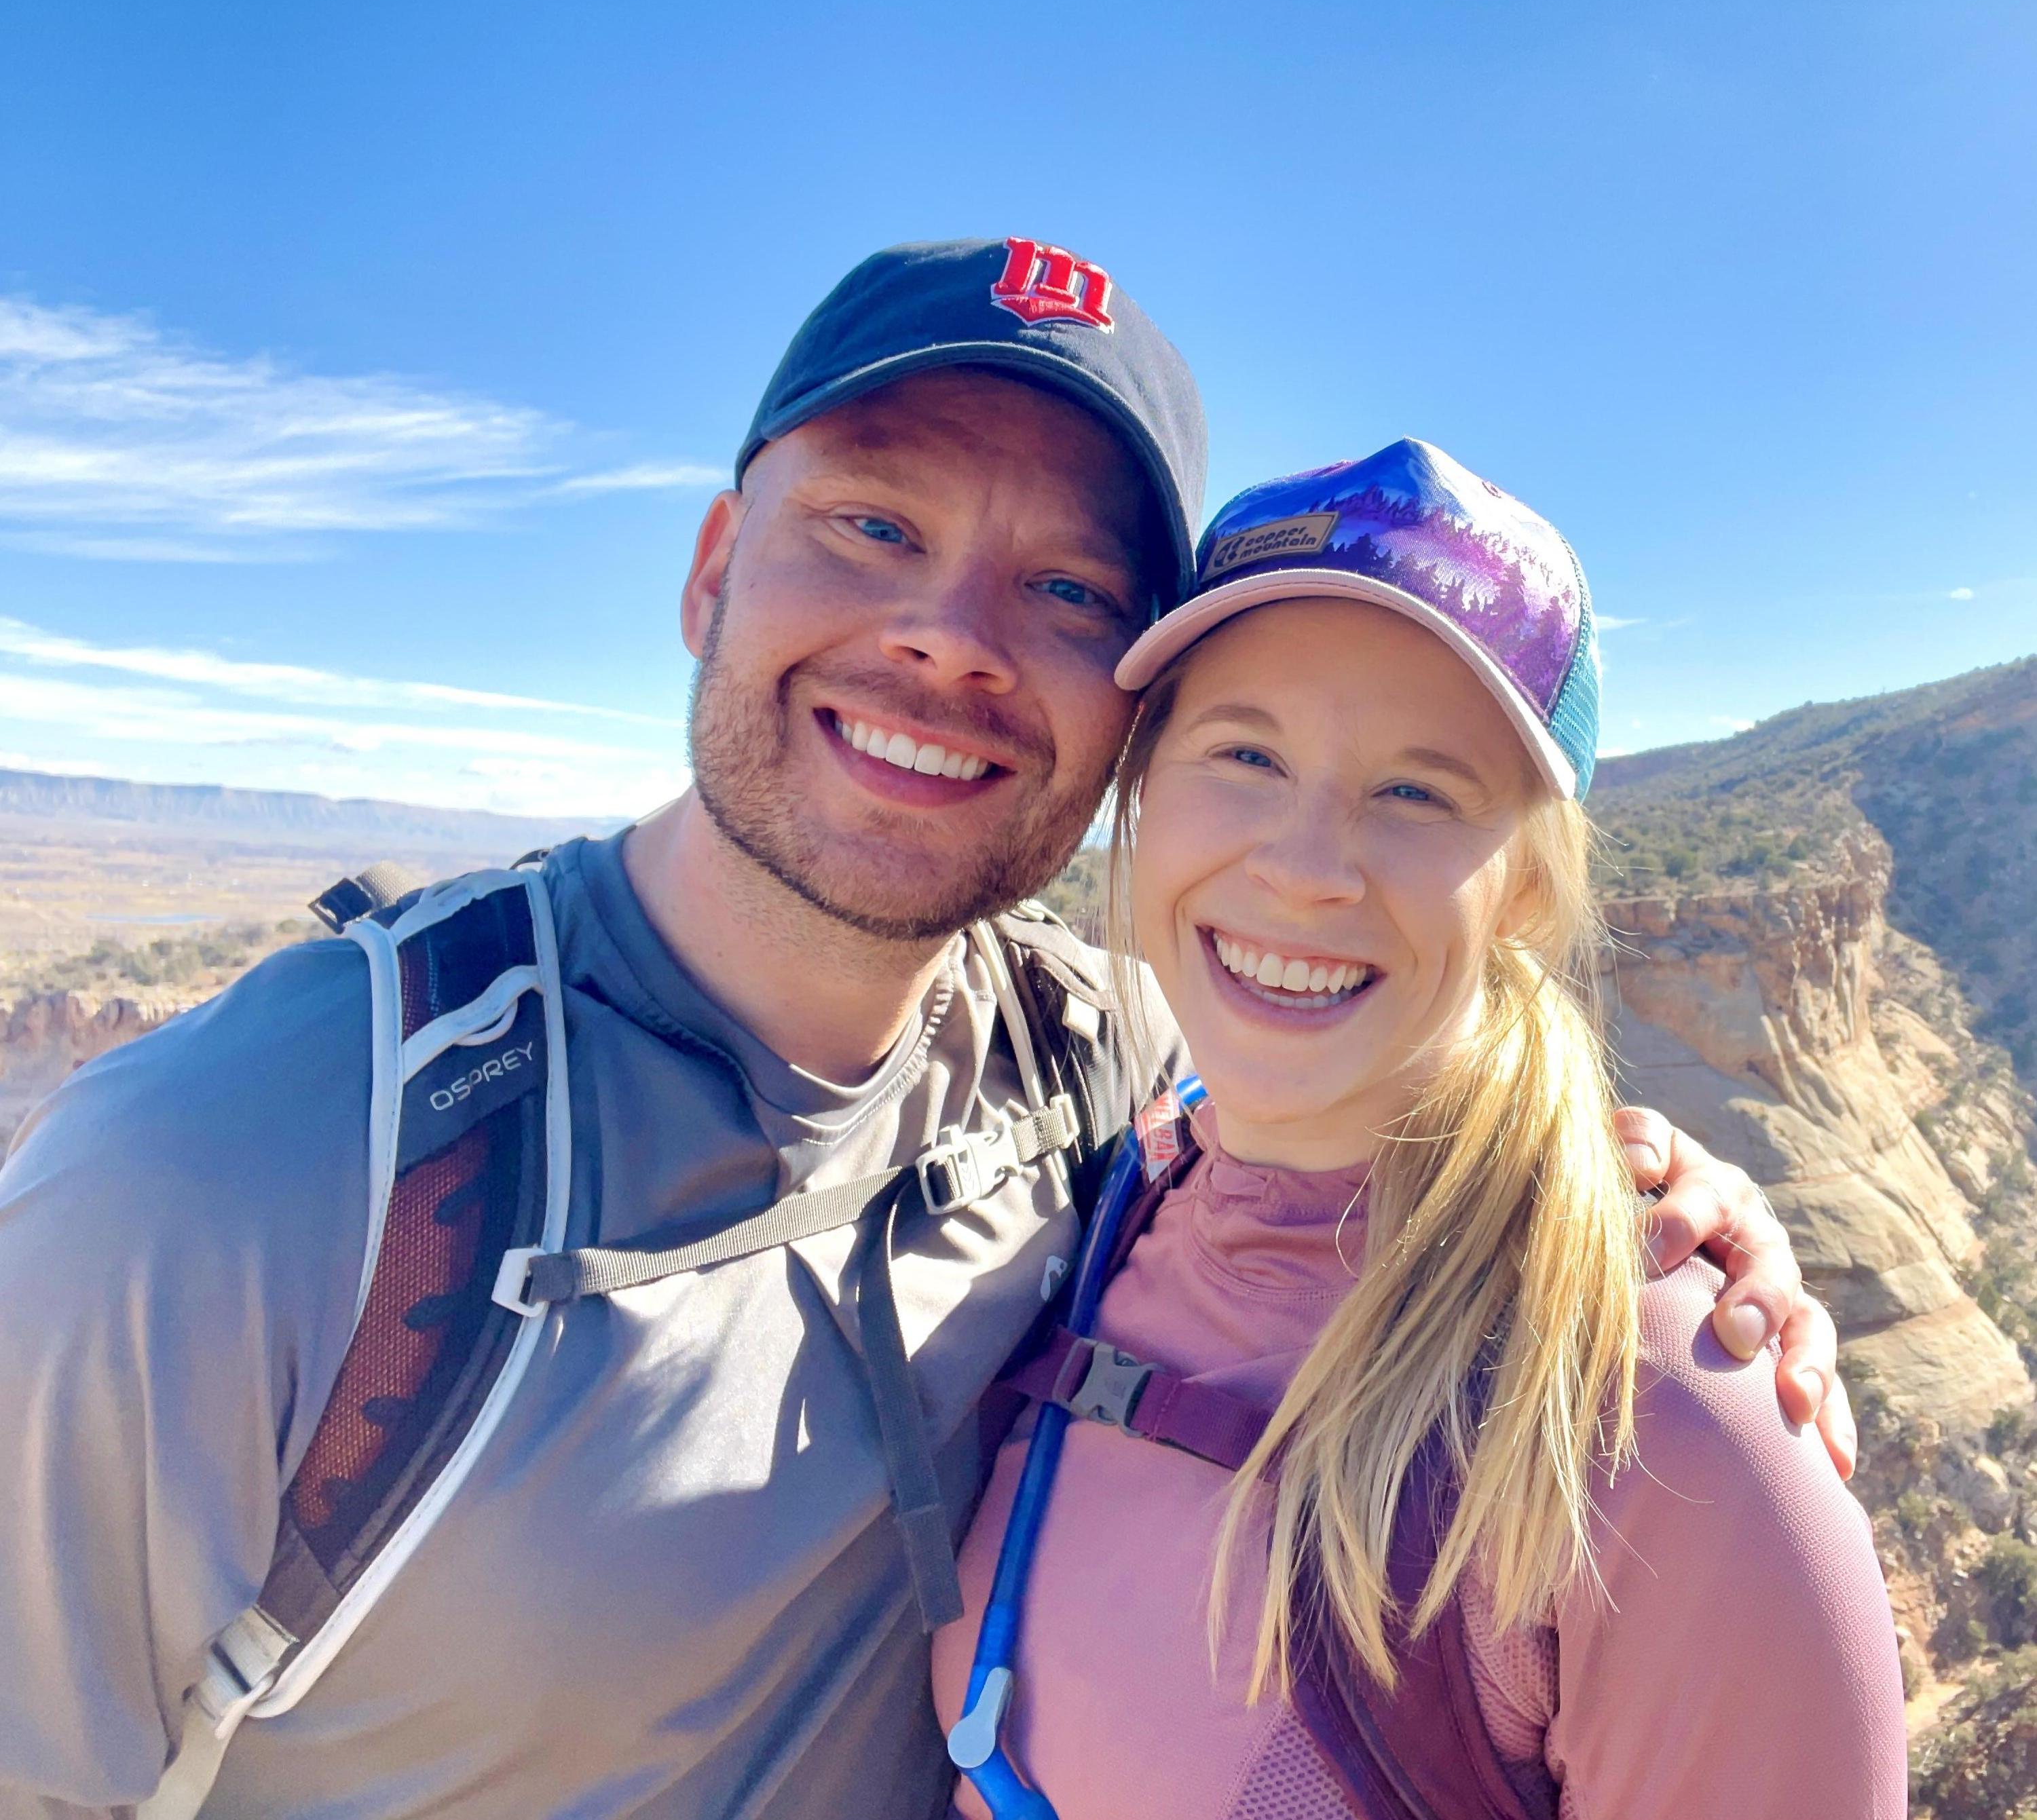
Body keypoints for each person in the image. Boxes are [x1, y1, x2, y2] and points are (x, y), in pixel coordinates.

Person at [0, 243, 1848, 1820]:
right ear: (715, 567)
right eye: (874, 523)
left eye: (1065, 590)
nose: (953, 641)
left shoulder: (1099, 1070)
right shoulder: (257, 1164)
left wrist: (1665, 1204)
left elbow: (1368, 1080)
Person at [934, 440, 1905, 1820]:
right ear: (1141, 807)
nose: (1303, 865)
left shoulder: (1663, 1439)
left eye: (1417, 791)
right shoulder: (1110, 1197)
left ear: (1519, 891)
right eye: (1244, 751)